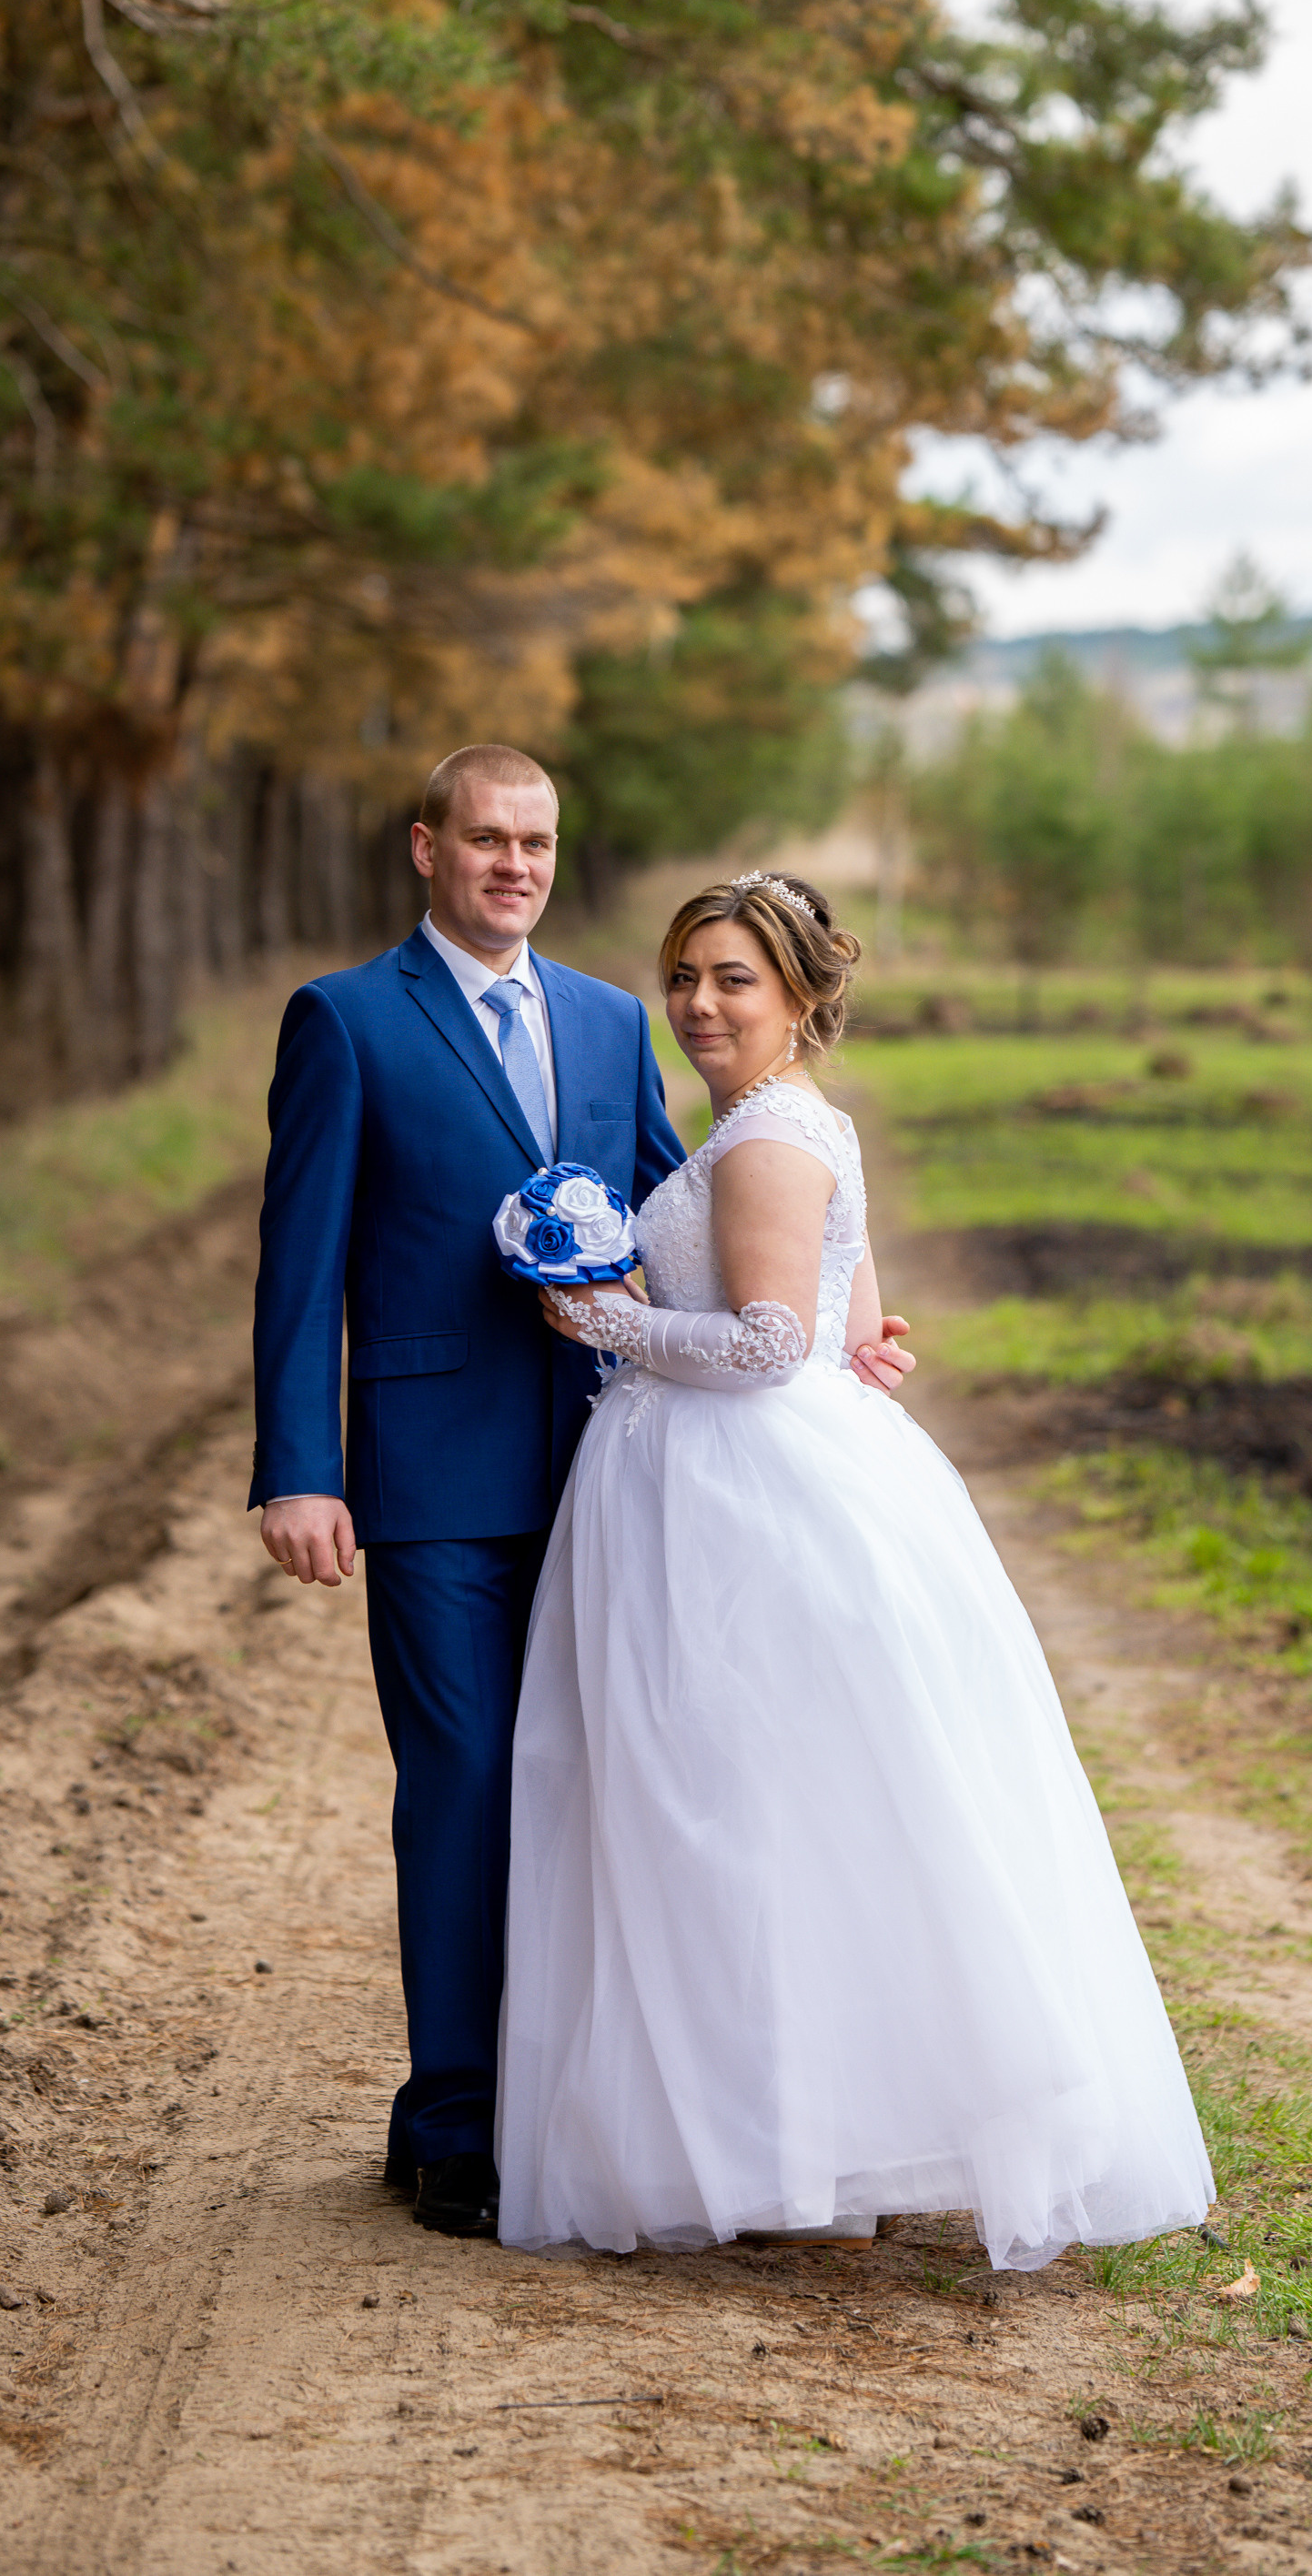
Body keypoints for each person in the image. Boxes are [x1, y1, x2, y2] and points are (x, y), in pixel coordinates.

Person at [497, 871, 1214, 2269]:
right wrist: (849, 1346)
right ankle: (803, 2134)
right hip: (749, 1479)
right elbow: (855, 1322)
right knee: (791, 1812)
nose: (699, 1004)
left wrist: (603, 1321)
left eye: (732, 980)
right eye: (684, 977)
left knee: (734, 1808)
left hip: (737, 1496)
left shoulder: (768, 1138)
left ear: (801, 997)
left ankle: (777, 2139)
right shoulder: (794, 1125)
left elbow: (768, 1344)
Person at [249, 750, 913, 2240]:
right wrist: (300, 1466)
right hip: (434, 1481)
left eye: (535, 840)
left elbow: (706, 1211)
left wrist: (846, 1322)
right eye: (484, 838)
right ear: (427, 849)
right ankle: (458, 2124)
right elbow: (296, 1269)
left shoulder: (618, 1026)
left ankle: (579, 2103)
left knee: (606, 1796)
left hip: (623, 1477)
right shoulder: (347, 1022)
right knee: (472, 1783)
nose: (512, 863)